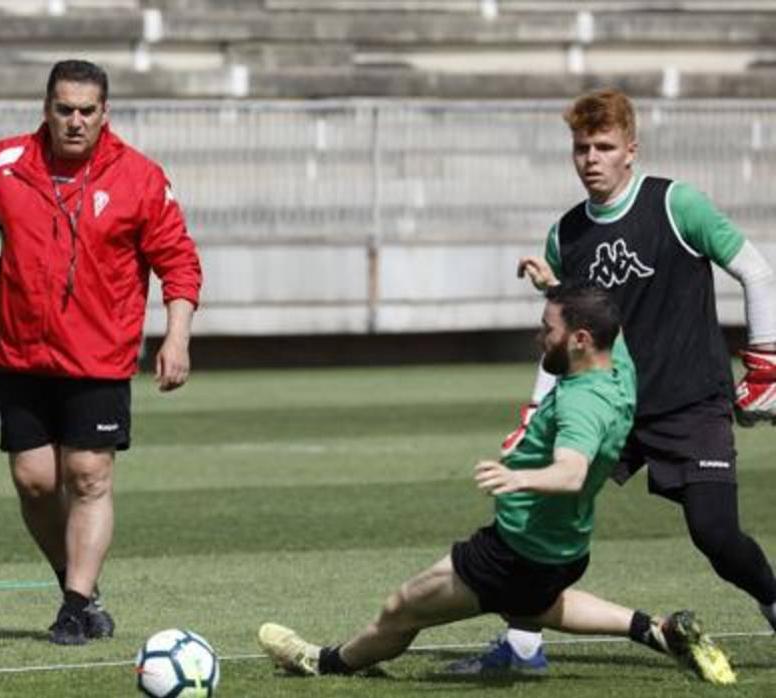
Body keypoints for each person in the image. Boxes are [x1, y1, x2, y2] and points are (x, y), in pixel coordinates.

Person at [257, 283, 736, 685]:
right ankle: (657, 631)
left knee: (402, 608)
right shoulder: (619, 369)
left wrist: (517, 476)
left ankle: (323, 662)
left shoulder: (582, 404)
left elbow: (570, 472)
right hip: (564, 549)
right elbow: (610, 319)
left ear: (580, 340)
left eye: (549, 329)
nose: (539, 336)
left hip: (514, 553)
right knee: (541, 606)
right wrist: (556, 280)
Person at [451, 88, 776, 674]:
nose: (591, 159)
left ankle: (773, 601)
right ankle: (523, 648)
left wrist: (764, 363)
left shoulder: (676, 205)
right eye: (581, 148)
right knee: (535, 515)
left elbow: (756, 271)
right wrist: (534, 412)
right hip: (608, 405)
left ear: (632, 150)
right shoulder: (566, 236)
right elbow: (558, 337)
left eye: (604, 146)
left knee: (717, 536)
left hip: (691, 401)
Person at [0, 59, 202, 645]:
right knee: (36, 482)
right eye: (64, 109)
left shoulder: (140, 178)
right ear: (46, 109)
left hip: (98, 355)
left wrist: (177, 336)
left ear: (105, 114)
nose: (74, 121)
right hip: (19, 352)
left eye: (86, 111)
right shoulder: (5, 163)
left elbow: (177, 260)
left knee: (88, 474)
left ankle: (73, 606)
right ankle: (84, 589)